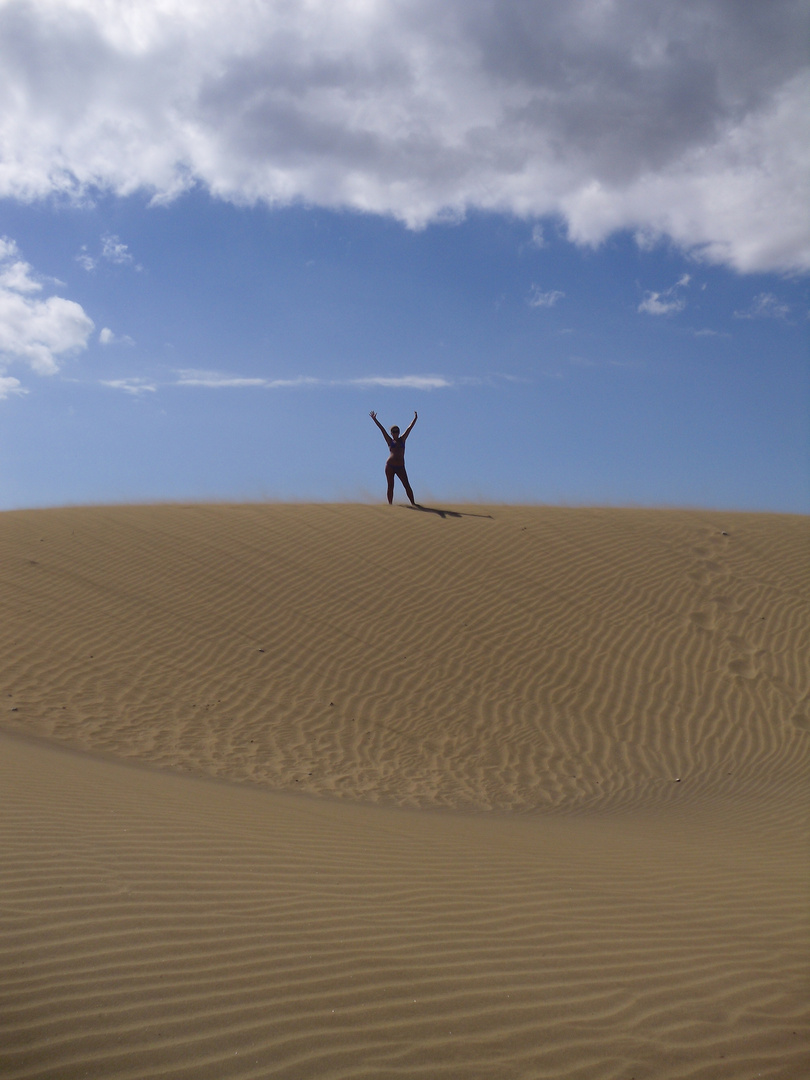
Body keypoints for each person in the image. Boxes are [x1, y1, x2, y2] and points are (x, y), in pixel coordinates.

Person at [370, 410, 418, 505]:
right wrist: (375, 419)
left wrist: (415, 418)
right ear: (391, 433)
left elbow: (409, 428)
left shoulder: (402, 439)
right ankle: (390, 505)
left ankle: (413, 503)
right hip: (390, 466)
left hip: (400, 467)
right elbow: (382, 429)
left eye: (397, 431)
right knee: (390, 485)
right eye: (394, 431)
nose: (396, 433)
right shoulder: (389, 441)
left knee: (406, 485)